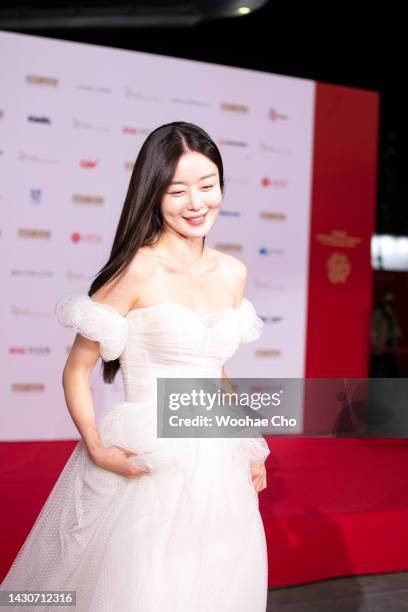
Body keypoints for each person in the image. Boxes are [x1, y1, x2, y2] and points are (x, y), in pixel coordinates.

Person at [1, 121, 270, 611]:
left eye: (208, 186)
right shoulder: (137, 269)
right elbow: (75, 370)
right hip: (148, 455)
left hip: (218, 460)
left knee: (217, 583)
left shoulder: (234, 273)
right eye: (177, 191)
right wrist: (97, 447)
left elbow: (215, 371)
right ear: (153, 193)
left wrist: (250, 443)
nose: (197, 203)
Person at [370, 292, 402, 377]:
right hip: (380, 343)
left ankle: (393, 382)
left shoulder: (392, 314)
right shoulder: (378, 312)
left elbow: (393, 326)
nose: (389, 304)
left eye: (391, 302)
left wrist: (396, 332)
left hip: (389, 342)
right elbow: (373, 327)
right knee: (375, 365)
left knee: (391, 365)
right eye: (388, 302)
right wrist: (374, 342)